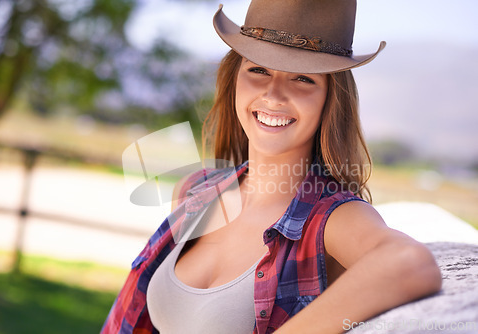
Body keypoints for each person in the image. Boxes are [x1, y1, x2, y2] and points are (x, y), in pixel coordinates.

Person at [101, 0, 442, 333]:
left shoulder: (332, 219)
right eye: (258, 70)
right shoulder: (195, 190)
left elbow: (410, 265)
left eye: (303, 79)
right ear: (235, 78)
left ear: (330, 100)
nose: (274, 95)